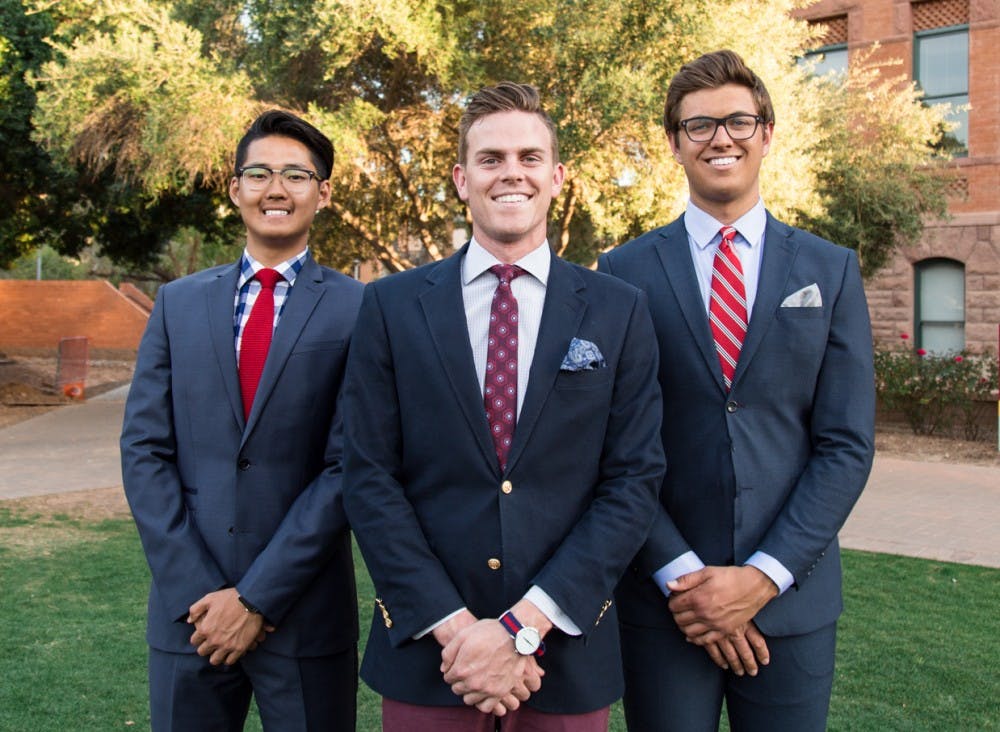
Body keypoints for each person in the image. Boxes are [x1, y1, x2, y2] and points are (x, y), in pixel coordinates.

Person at [342, 82, 665, 731]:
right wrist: (461, 634)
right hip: (430, 653)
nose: (510, 172)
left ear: (556, 175)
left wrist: (522, 625)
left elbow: (633, 482)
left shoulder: (618, 310)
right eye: (490, 159)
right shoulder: (391, 306)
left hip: (566, 654)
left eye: (528, 157)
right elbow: (369, 476)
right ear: (462, 179)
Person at [598, 49, 876, 731]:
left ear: (767, 135)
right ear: (674, 144)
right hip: (667, 606)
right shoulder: (622, 272)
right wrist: (688, 581)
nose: (720, 138)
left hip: (792, 601)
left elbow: (845, 444)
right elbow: (613, 443)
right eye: (699, 126)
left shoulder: (829, 270)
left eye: (738, 121)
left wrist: (761, 578)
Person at [121, 110, 363, 731]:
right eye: (258, 173)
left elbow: (350, 465)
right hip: (190, 615)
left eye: (295, 175)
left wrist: (257, 598)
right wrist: (200, 593)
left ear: (323, 193)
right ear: (234, 188)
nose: (274, 189)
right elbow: (145, 449)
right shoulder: (178, 303)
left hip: (305, 616)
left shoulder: (361, 309)